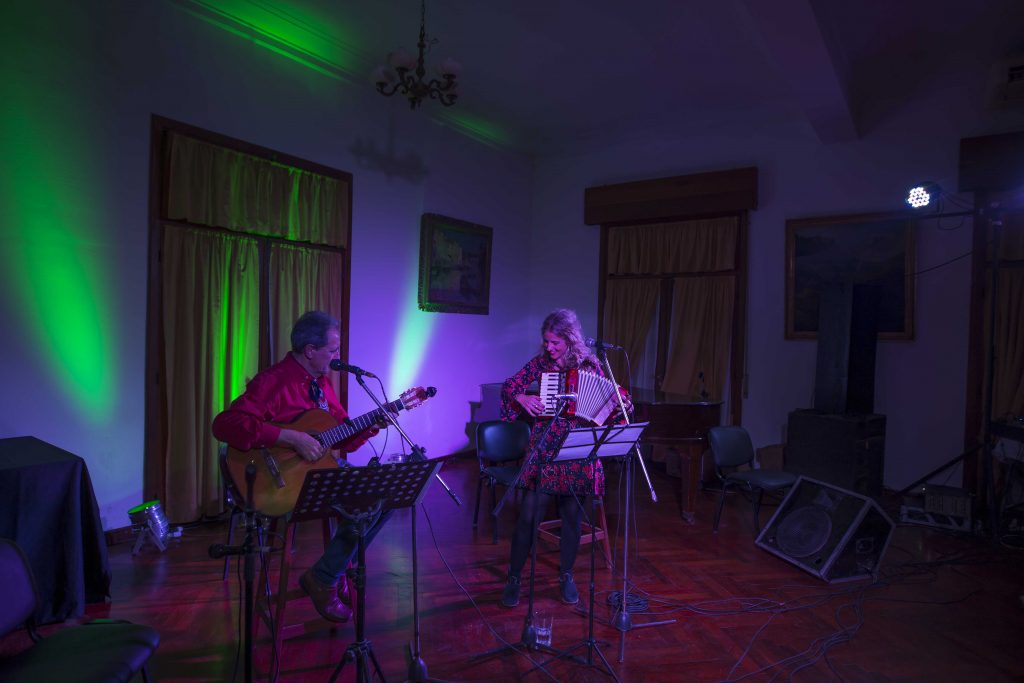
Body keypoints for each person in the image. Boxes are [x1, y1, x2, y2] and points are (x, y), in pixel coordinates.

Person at [212, 310, 387, 623]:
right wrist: (289, 436)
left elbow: (341, 438)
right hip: (282, 482)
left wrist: (372, 425)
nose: (337, 357)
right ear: (310, 351)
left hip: (320, 476)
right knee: (366, 502)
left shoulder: (322, 385)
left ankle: (325, 575)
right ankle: (328, 578)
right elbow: (225, 425)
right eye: (333, 350)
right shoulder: (274, 381)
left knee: (380, 497)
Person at [499, 308, 631, 607]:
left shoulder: (592, 365)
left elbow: (612, 400)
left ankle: (566, 576)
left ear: (570, 340)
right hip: (544, 448)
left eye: (554, 342)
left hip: (578, 451)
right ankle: (514, 578)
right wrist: (523, 398)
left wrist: (621, 405)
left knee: (572, 519)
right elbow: (510, 386)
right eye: (546, 341)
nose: (549, 347)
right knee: (528, 517)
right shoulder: (541, 365)